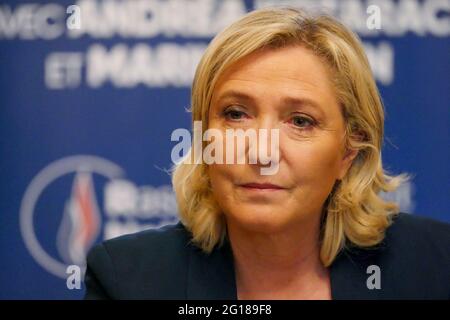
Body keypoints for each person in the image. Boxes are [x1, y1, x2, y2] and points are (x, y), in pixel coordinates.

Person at [84, 6, 450, 300]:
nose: (261, 152)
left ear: (348, 151)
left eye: (301, 121)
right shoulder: (128, 279)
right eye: (236, 115)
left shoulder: (435, 266)